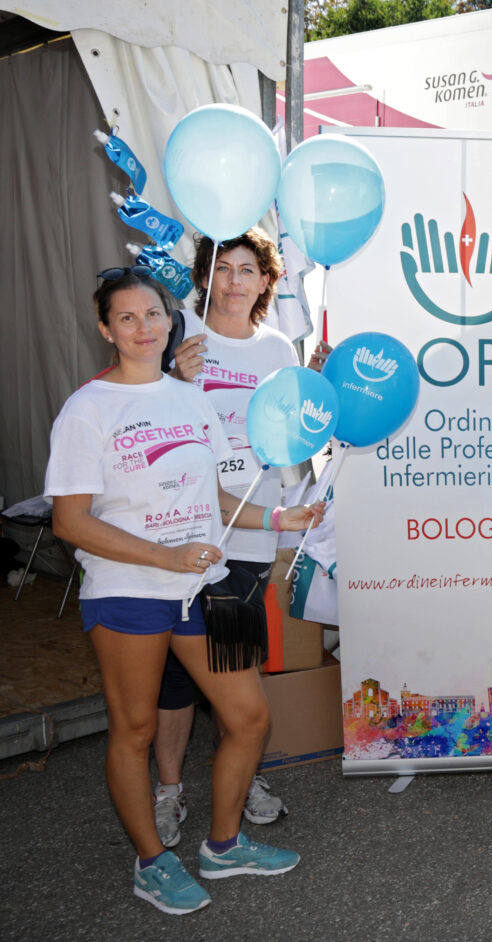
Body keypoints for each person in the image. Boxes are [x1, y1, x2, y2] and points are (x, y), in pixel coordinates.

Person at [47, 266, 325, 915]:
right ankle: (152, 862)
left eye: (154, 314)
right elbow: (71, 521)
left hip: (207, 586)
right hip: (128, 590)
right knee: (136, 730)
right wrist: (165, 555)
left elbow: (220, 494)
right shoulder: (86, 410)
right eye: (127, 317)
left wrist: (278, 518)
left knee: (249, 716)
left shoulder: (189, 395)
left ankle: (223, 847)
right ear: (105, 329)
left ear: (171, 321)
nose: (144, 327)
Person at [153, 229, 302, 847]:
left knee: (236, 662)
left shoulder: (278, 350)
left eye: (249, 270)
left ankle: (244, 778)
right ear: (206, 275)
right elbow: (140, 422)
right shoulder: (175, 331)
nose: (236, 280)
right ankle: (169, 791)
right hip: (179, 532)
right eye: (225, 268)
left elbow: (290, 433)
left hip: (250, 533)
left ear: (267, 282)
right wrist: (174, 376)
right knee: (177, 679)